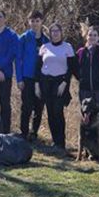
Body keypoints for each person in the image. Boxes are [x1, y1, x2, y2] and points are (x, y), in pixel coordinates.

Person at [35, 23, 78, 151]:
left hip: (60, 83)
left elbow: (71, 68)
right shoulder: (44, 47)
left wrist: (65, 83)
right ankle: (54, 141)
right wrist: (37, 85)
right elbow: (38, 67)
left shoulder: (67, 47)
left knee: (58, 112)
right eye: (52, 31)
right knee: (50, 112)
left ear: (61, 32)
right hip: (45, 82)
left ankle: (61, 142)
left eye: (57, 31)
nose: (55, 33)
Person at [15, 10, 49, 141]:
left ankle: (34, 133)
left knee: (39, 107)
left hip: (41, 79)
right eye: (32, 21)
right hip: (27, 78)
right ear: (29, 22)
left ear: (41, 22)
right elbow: (18, 60)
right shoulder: (23, 38)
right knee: (26, 107)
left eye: (37, 21)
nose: (35, 23)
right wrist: (19, 79)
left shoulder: (46, 40)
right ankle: (23, 133)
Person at [76, 24, 99, 126]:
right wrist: (80, 78)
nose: (92, 37)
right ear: (86, 37)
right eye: (90, 35)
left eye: (95, 35)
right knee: (85, 114)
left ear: (98, 37)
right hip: (84, 89)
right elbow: (74, 68)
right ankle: (85, 139)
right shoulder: (81, 52)